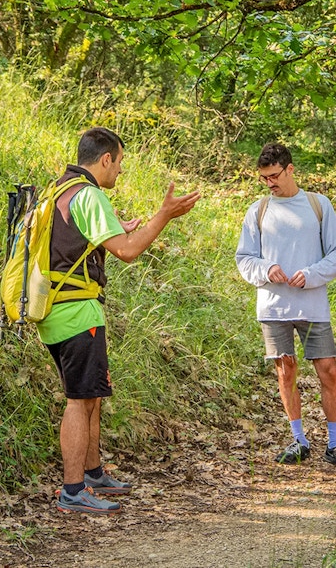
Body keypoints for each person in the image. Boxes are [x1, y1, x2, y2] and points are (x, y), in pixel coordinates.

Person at [36, 127, 201, 514]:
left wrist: (114, 231)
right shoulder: (90, 194)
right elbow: (128, 252)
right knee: (79, 400)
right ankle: (72, 490)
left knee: (90, 396)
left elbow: (71, 241)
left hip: (56, 307)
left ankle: (92, 474)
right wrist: (165, 214)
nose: (121, 171)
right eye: (120, 162)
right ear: (105, 159)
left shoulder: (60, 188)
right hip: (76, 312)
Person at [236, 142, 336, 466]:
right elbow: (244, 259)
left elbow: (334, 254)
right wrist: (267, 269)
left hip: (313, 305)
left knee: (329, 371)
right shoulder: (258, 210)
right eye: (264, 178)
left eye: (274, 176)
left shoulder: (318, 205)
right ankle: (299, 440)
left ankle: (334, 443)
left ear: (290, 169)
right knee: (285, 371)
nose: (269, 183)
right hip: (274, 306)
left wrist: (311, 274)